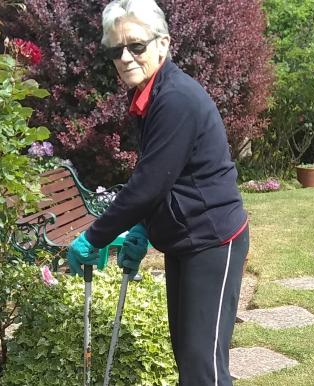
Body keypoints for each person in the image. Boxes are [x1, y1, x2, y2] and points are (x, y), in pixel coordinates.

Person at [67, 0, 249, 384]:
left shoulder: (175, 99)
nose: (125, 58)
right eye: (116, 50)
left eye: (136, 46)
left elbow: (148, 184)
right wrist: (145, 229)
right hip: (186, 239)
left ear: (163, 44)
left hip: (213, 239)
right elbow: (169, 175)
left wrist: (94, 237)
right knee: (188, 355)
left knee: (204, 366)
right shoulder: (149, 96)